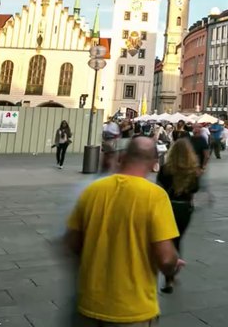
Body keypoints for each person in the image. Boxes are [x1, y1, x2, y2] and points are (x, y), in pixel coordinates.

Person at [65, 137, 183, 326]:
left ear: (124, 157)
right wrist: (173, 265)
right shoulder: (155, 196)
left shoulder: (92, 190)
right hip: (133, 309)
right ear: (154, 163)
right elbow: (165, 258)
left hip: (89, 303)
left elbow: (72, 243)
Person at [156, 139, 200, 293]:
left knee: (169, 239)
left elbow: (159, 187)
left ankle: (168, 278)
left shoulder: (166, 169)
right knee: (178, 239)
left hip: (169, 206)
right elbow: (195, 190)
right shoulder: (194, 170)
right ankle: (173, 271)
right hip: (185, 208)